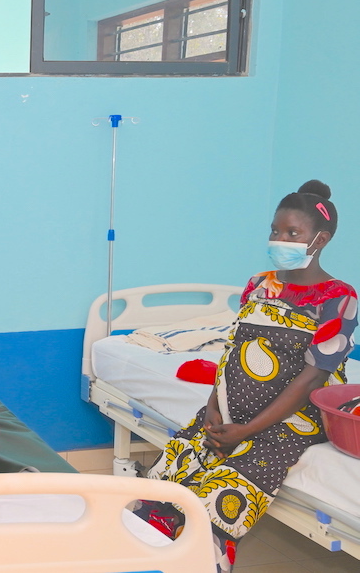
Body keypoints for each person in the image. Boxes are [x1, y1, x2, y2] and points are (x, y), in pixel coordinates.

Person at [143, 180, 356, 572]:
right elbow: (232, 351)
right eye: (276, 230)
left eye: (293, 233)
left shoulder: (339, 298)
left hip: (292, 419)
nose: (280, 239)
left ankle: (205, 557)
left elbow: (312, 378)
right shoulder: (259, 284)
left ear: (320, 239)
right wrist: (213, 405)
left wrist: (248, 429)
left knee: (219, 496)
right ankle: (145, 550)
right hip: (232, 408)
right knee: (171, 468)